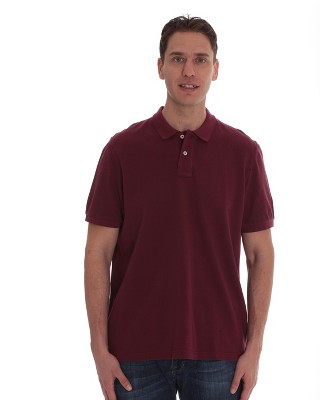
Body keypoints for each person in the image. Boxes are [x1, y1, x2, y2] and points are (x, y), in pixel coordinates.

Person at [84, 15, 275, 400]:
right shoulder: (121, 151)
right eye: (177, 59)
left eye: (201, 59)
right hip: (132, 354)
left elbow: (260, 254)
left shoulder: (243, 153)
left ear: (215, 69)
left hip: (220, 352)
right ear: (160, 67)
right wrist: (99, 350)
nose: (189, 71)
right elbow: (97, 254)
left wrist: (254, 349)